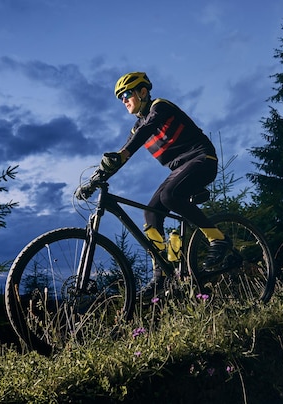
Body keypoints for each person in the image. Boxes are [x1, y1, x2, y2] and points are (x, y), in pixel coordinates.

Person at [84, 72, 231, 296]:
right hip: (180, 170)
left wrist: (122, 154)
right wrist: (97, 177)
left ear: (143, 92)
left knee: (169, 196)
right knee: (151, 214)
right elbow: (125, 153)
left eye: (126, 94)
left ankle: (218, 239)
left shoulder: (160, 106)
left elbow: (145, 130)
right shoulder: (136, 128)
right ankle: (161, 276)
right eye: (120, 98)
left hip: (202, 159)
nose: (123, 101)